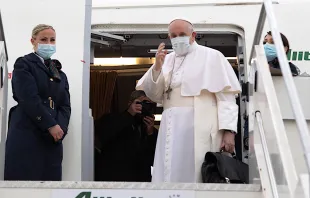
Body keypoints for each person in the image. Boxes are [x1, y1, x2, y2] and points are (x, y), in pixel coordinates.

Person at [136, 18, 241, 183]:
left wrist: (229, 132)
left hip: (200, 125)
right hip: (170, 126)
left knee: (197, 172)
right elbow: (155, 95)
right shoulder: (166, 60)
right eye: (173, 35)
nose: (178, 38)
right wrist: (157, 67)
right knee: (169, 170)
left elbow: (226, 98)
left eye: (182, 34)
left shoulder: (212, 56)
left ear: (193, 35)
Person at [4, 24, 71, 181]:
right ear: (33, 41)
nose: (48, 43)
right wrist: (50, 125)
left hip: (52, 139)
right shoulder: (24, 65)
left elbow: (65, 106)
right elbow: (28, 98)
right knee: (25, 184)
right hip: (28, 134)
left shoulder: (59, 73)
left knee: (50, 185)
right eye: (43, 39)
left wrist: (60, 129)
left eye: (52, 40)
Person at [95, 90, 158, 182]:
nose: (144, 107)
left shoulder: (150, 131)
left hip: (141, 182)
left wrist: (150, 133)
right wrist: (129, 114)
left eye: (149, 104)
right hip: (115, 179)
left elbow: (156, 159)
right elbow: (104, 135)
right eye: (142, 103)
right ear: (130, 103)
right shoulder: (112, 119)